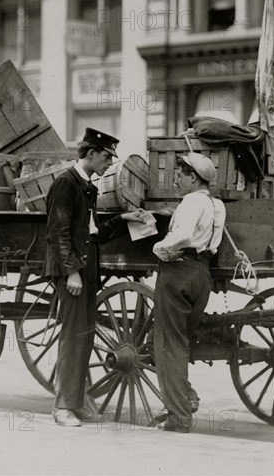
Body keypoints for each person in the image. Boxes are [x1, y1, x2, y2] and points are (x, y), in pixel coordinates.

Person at [44, 127, 146, 427]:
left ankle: (77, 401)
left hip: (87, 266)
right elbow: (57, 234)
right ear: (90, 153)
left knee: (84, 335)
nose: (109, 163)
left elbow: (93, 233)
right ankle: (63, 406)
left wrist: (123, 219)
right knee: (72, 336)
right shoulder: (65, 184)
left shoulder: (87, 186)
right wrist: (72, 272)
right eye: (105, 156)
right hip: (72, 270)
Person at [152, 152, 226, 433]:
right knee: (180, 341)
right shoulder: (217, 205)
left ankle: (179, 417)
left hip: (178, 271)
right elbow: (214, 243)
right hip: (201, 275)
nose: (177, 179)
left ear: (193, 178)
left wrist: (159, 249)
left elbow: (181, 236)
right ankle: (184, 398)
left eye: (180, 175)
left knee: (169, 343)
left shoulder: (190, 202)